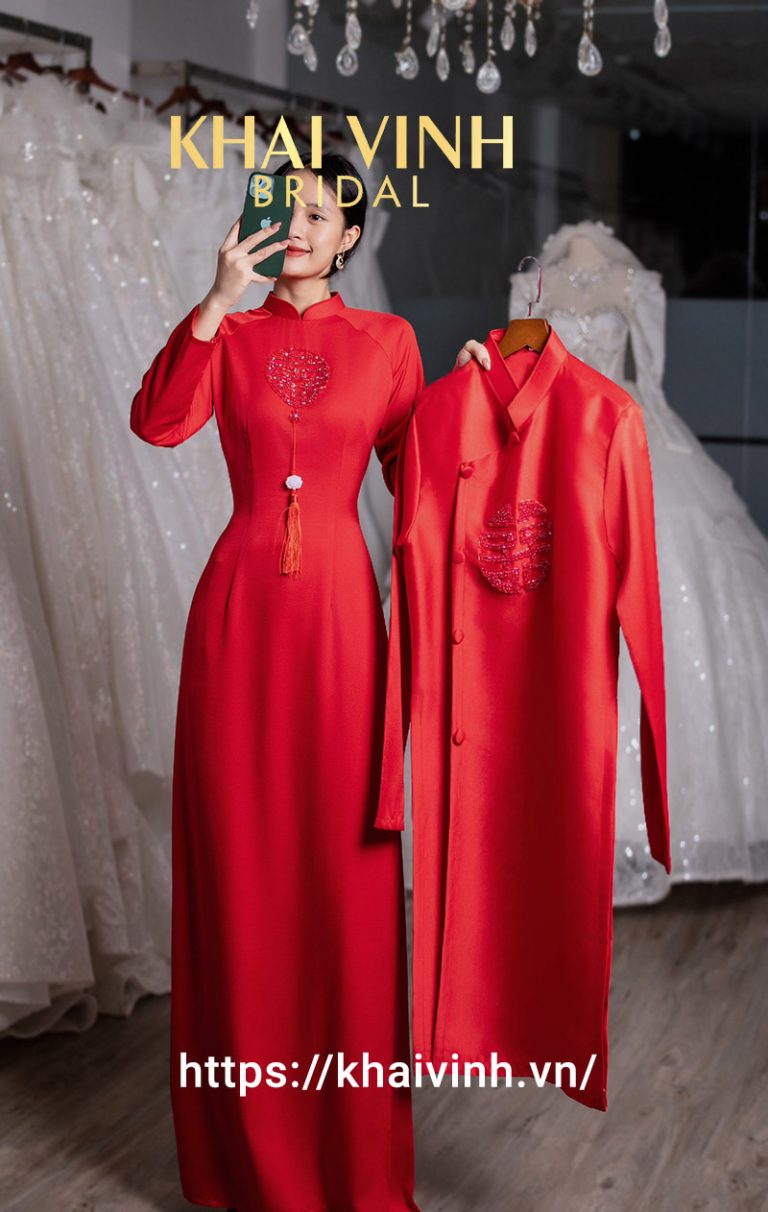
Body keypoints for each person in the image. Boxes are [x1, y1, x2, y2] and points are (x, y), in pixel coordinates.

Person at [130, 150, 485, 1212]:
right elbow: (158, 422)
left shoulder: (388, 342)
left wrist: (476, 396)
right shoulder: (231, 337)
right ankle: (243, 1160)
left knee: (344, 874)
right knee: (239, 870)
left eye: (321, 215)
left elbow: (423, 473)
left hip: (340, 622)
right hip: (237, 619)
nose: (300, 227)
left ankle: (346, 1159)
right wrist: (214, 300)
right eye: (288, 209)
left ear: (349, 238)